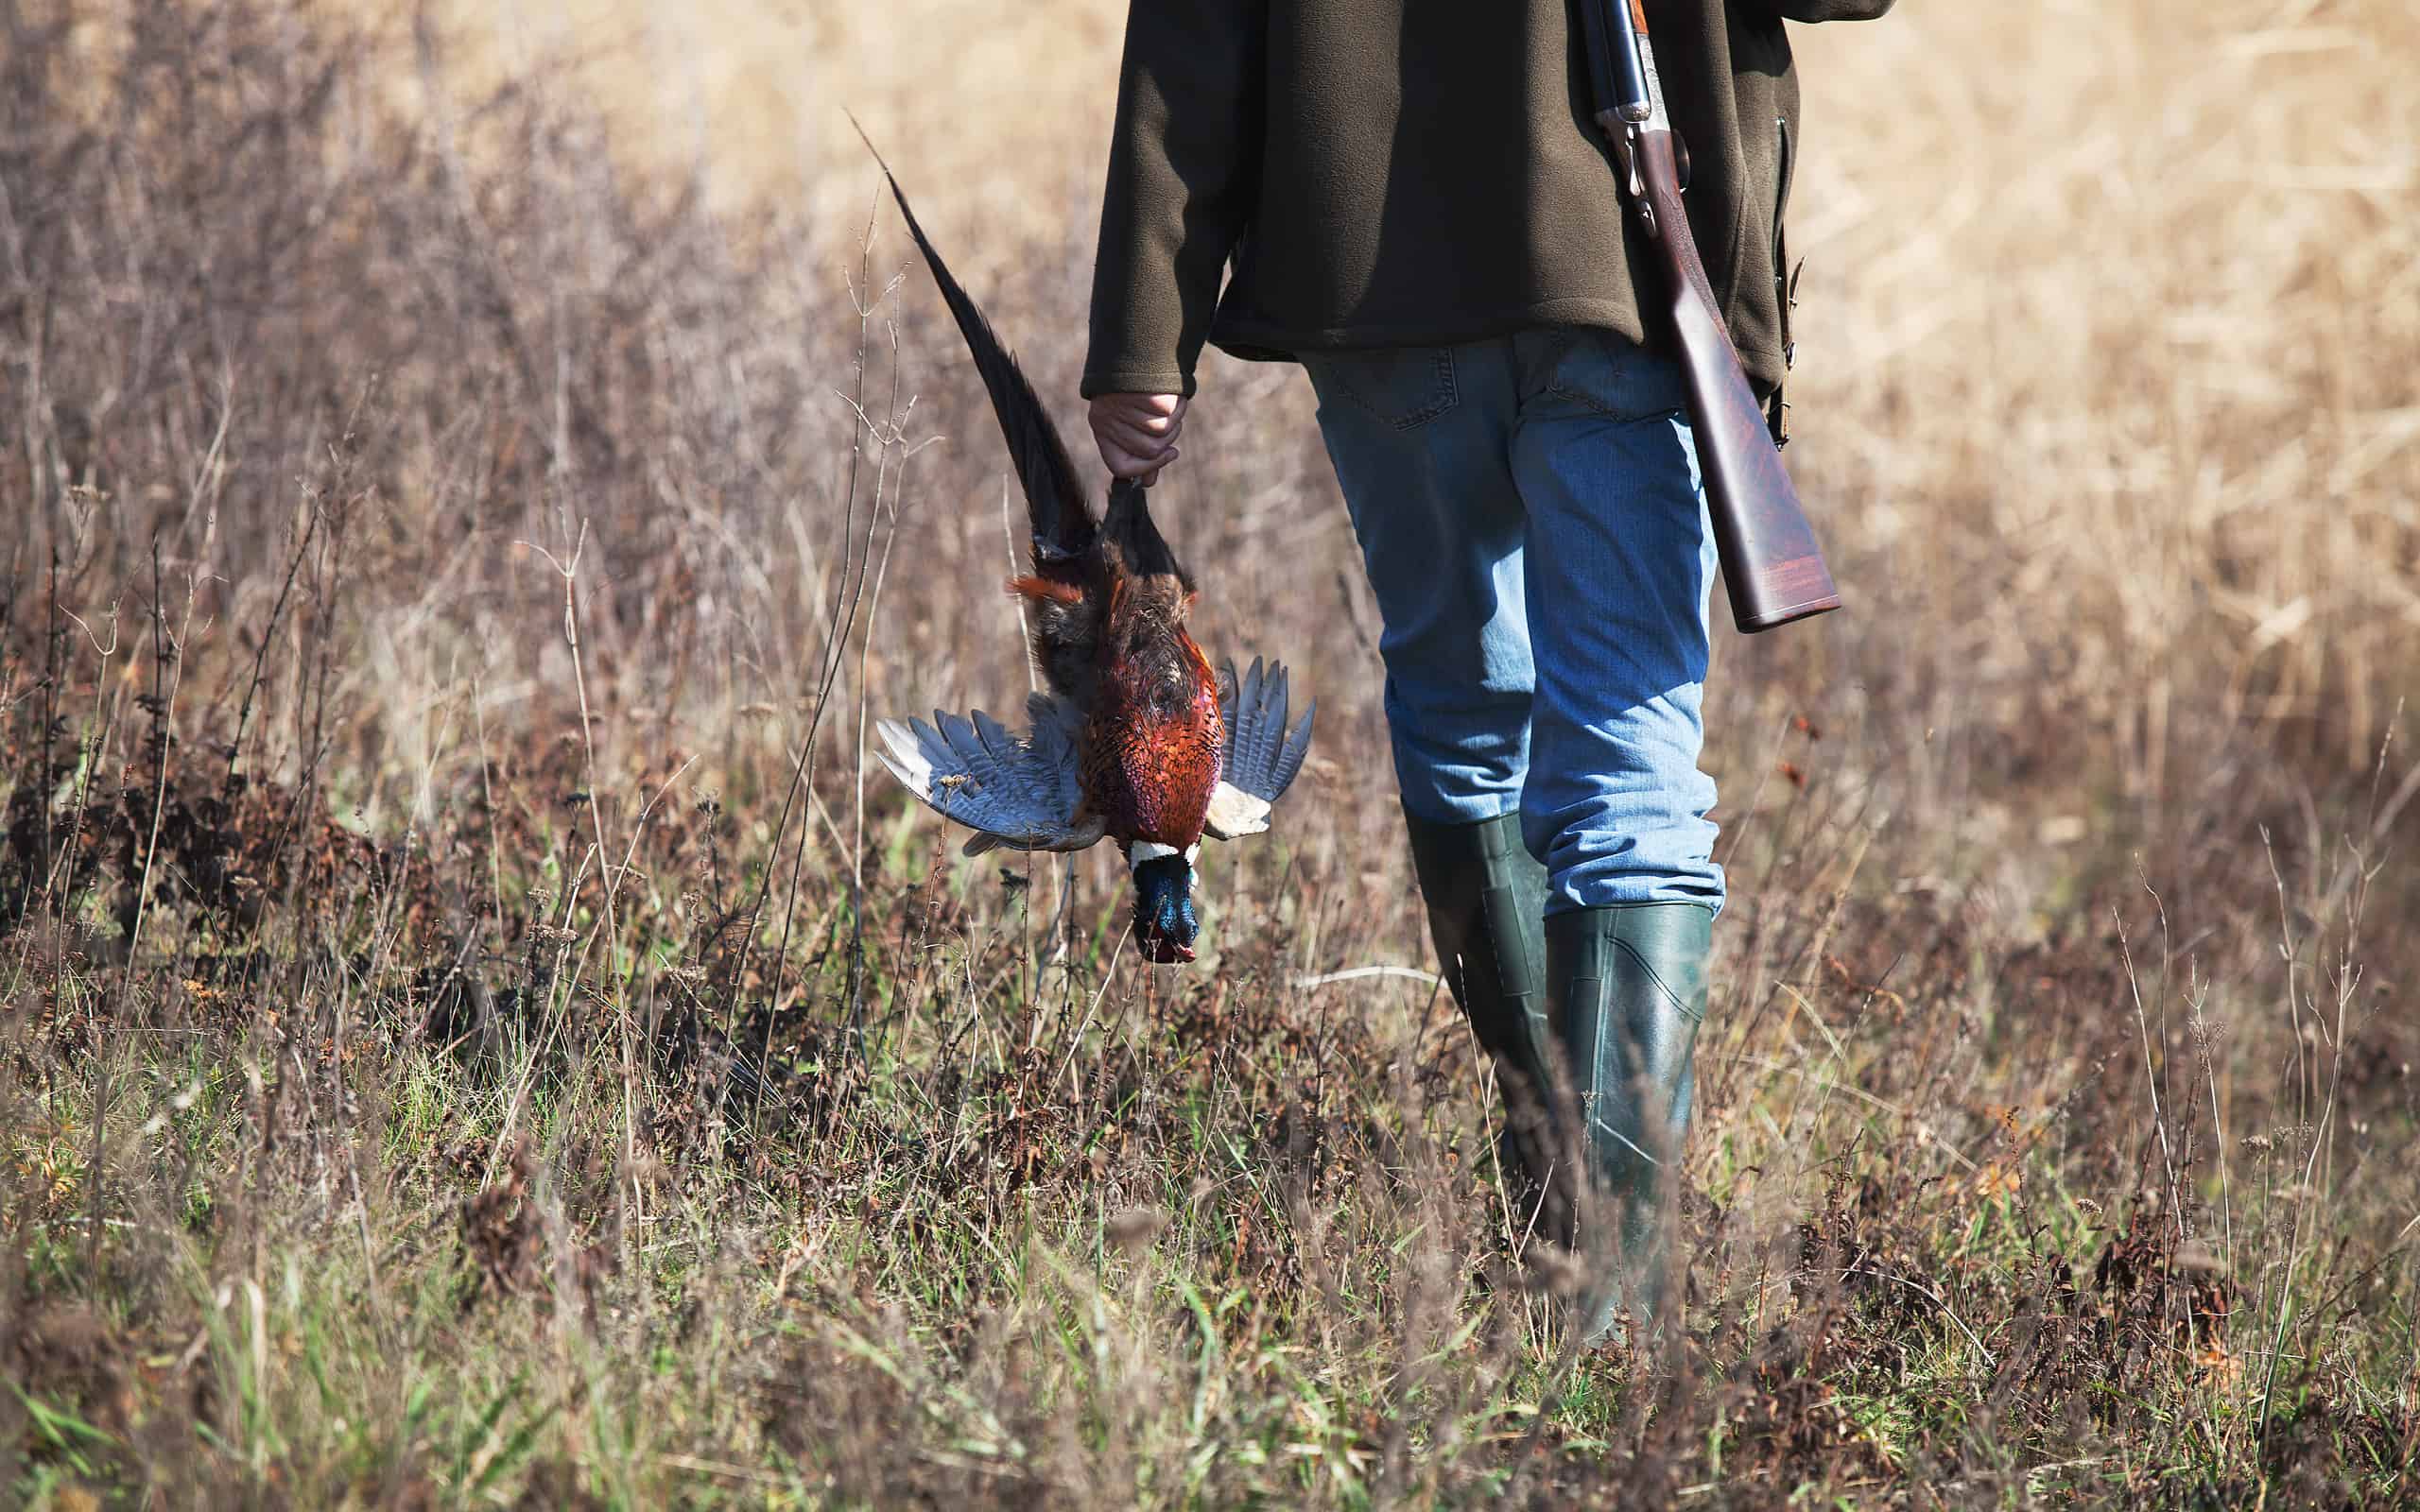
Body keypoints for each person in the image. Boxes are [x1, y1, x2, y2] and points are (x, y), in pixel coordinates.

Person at [1080, 0, 1893, 1341]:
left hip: (1375, 276)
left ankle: (1554, 1186)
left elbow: (1194, 30)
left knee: (1465, 727)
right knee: (1630, 779)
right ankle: (1608, 1299)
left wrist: (1142, 329)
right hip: (1626, 259)